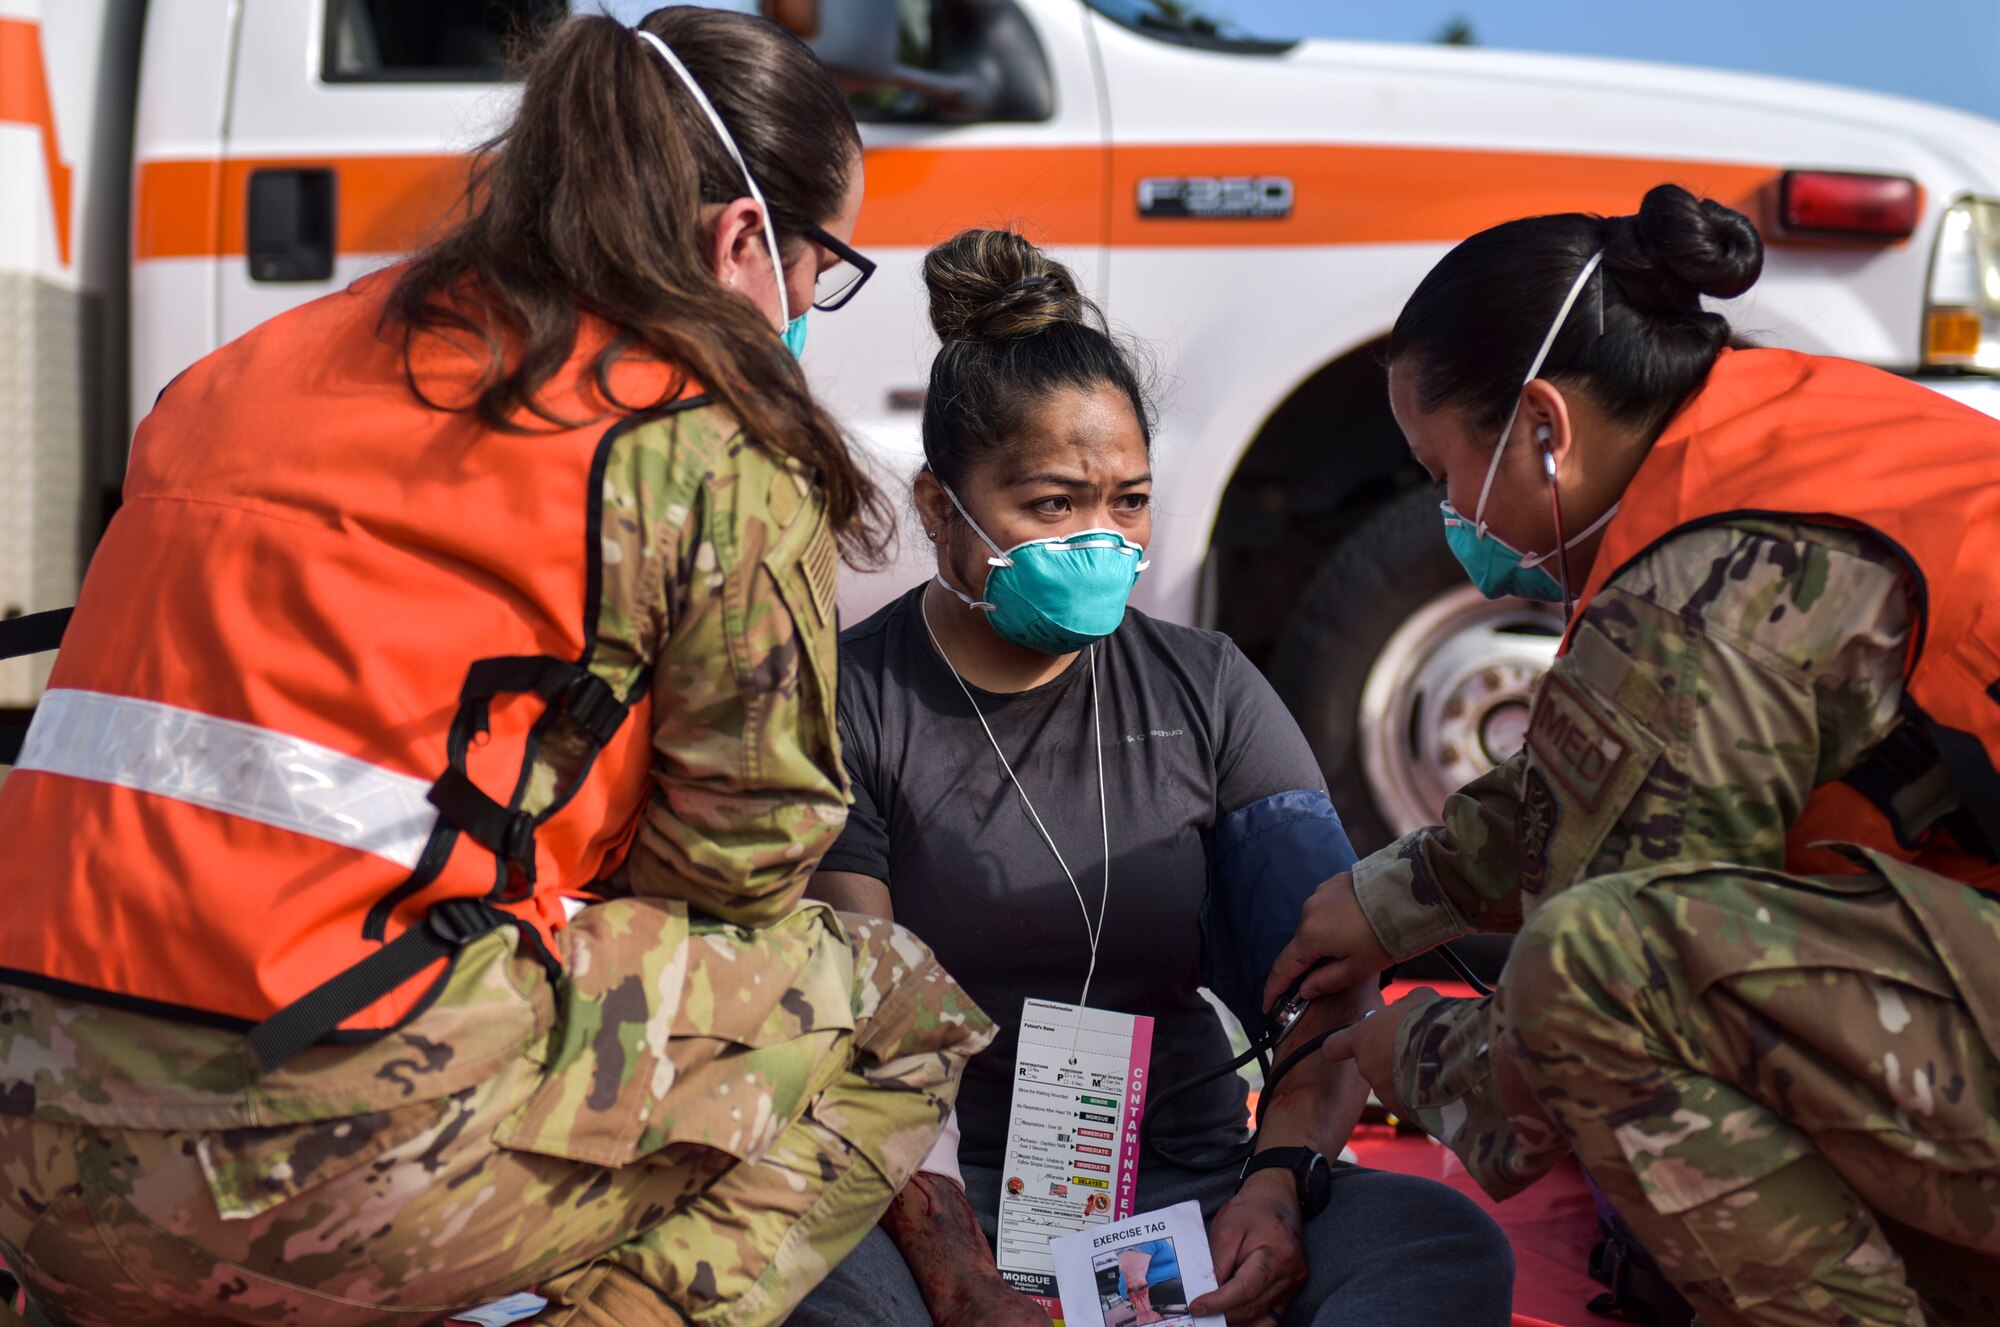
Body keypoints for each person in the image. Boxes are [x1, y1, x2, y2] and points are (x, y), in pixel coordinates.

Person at [0, 10, 992, 1327]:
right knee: (898, 1006)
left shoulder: (234, 373)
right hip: (328, 1150)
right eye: (820, 270)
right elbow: (740, 871)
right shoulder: (696, 444)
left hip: (36, 1151)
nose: (809, 311)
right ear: (741, 238)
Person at [1265, 183, 2000, 1326]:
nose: (1451, 511)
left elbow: (1578, 1018)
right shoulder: (1802, 434)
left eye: (1439, 470)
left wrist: (1398, 1048)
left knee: (1590, 971)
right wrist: (1387, 897)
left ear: (1544, 428)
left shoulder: (1699, 591)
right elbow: (1600, 773)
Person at [796, 228, 1513, 1327]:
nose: (1101, 541)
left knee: (1435, 1241)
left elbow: (1324, 994)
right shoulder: (850, 701)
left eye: (1126, 500)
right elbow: (859, 1030)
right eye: (1050, 505)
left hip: (1191, 1194)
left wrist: (1274, 1191)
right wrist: (960, 1279)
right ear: (939, 508)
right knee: (802, 1286)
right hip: (928, 1198)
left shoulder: (1209, 689)